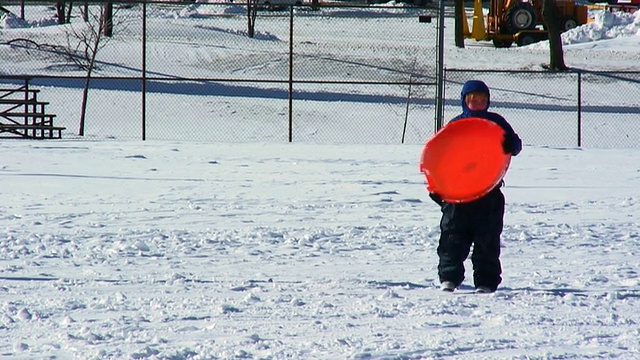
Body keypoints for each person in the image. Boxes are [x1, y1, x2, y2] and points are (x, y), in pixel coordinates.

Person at [429, 80, 522, 293]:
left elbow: (515, 145)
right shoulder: (455, 125)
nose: (479, 104)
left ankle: (486, 282)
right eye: (474, 101)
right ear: (464, 101)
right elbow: (439, 158)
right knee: (453, 237)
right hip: (458, 194)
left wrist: (509, 144)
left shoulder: (497, 123)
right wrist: (437, 187)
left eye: (483, 100)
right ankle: (449, 277)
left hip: (488, 193)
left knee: (487, 239)